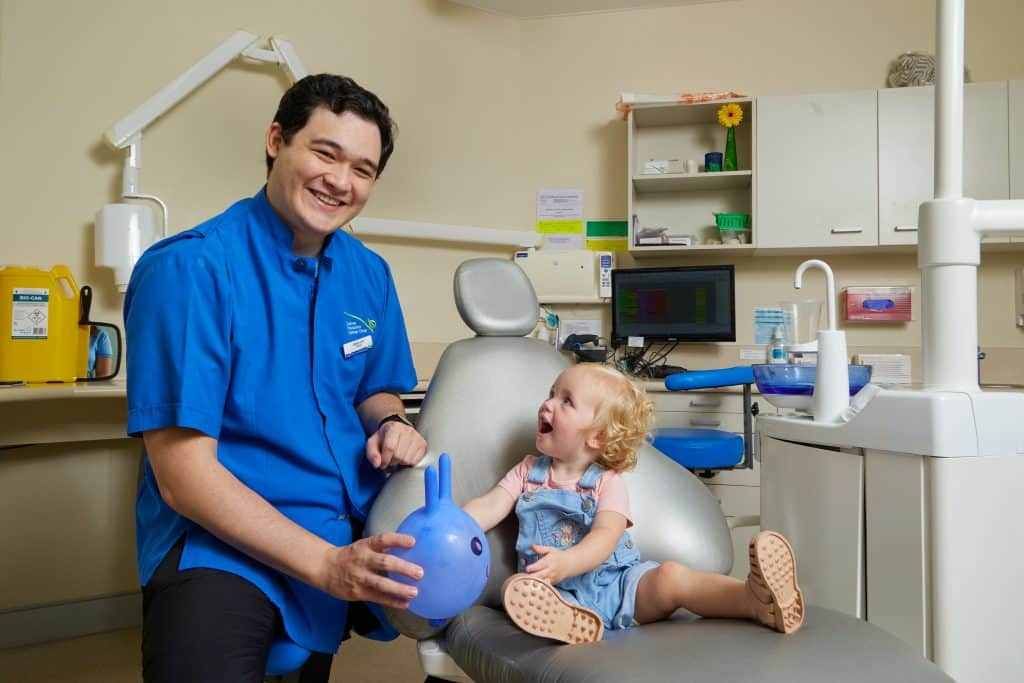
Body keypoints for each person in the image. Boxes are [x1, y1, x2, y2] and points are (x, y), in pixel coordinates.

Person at [125, 74, 429, 683]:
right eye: (325, 152)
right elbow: (185, 479)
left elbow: (374, 387)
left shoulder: (368, 274)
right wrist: (326, 566)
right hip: (219, 545)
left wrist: (392, 421)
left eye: (363, 169)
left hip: (329, 528)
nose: (341, 181)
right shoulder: (192, 269)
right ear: (275, 141)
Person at [463, 364, 805, 644]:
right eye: (551, 394)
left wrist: (568, 561)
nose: (547, 404)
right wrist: (453, 523)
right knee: (515, 588)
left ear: (596, 436)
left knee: (671, 576)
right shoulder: (527, 471)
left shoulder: (606, 482)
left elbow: (604, 536)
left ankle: (755, 600)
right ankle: (571, 624)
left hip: (620, 584)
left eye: (566, 401)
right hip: (554, 591)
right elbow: (490, 505)